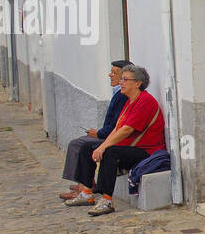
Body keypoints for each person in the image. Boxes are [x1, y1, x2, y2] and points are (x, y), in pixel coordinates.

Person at [70, 64, 166, 217]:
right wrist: (102, 145)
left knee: (110, 152)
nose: (121, 82)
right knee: (87, 147)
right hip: (131, 147)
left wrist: (104, 147)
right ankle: (87, 192)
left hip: (147, 151)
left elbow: (127, 129)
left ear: (137, 83)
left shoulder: (145, 101)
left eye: (125, 79)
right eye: (121, 78)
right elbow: (117, 127)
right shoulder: (130, 101)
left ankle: (107, 200)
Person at [58, 60, 132, 202]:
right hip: (109, 134)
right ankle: (85, 184)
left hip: (113, 138)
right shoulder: (119, 93)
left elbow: (119, 126)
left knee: (80, 144)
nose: (110, 75)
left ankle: (85, 187)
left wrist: (98, 134)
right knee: (82, 144)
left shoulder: (123, 96)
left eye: (114, 73)